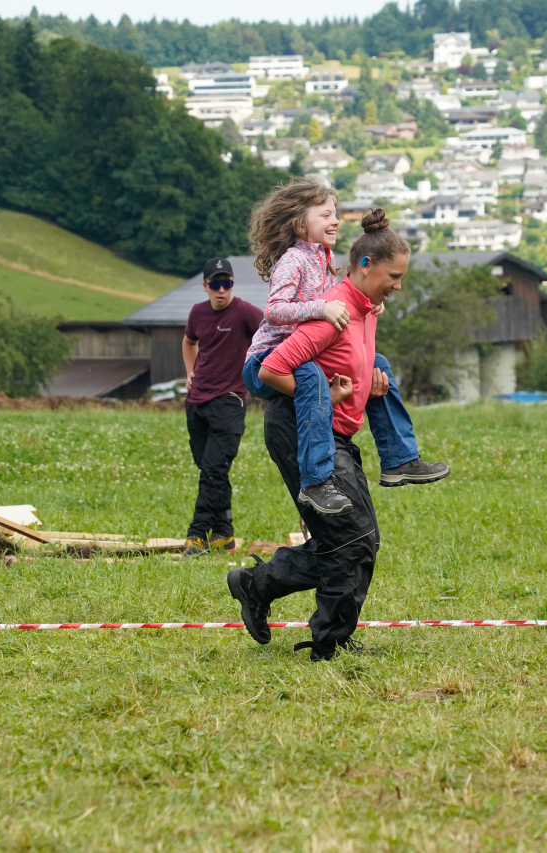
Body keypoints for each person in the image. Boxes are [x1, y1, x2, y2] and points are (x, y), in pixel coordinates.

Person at [227, 209, 410, 661]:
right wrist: (326, 396)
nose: (397, 286)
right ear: (366, 265)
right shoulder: (332, 309)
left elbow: (344, 369)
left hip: (331, 431)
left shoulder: (360, 307)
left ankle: (261, 586)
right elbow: (273, 368)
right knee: (350, 538)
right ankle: (329, 642)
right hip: (298, 426)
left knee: (359, 539)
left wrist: (369, 386)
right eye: (393, 276)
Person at [241, 178, 449, 517]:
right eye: (325, 215)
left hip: (303, 354)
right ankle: (315, 482)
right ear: (300, 224)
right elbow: (275, 311)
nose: (335, 221)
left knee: (378, 363)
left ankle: (399, 458)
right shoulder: (294, 259)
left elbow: (342, 297)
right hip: (267, 358)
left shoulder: (324, 258)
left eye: (335, 214)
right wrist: (321, 309)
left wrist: (370, 303)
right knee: (312, 378)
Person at [181, 258, 264, 557]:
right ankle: (224, 534)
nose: (221, 290)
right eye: (215, 284)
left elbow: (274, 334)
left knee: (213, 471)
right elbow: (188, 342)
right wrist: (190, 373)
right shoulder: (197, 312)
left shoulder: (246, 313)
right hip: (196, 402)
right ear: (205, 286)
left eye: (226, 283)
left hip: (230, 401)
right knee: (210, 469)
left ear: (232, 285)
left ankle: (197, 535)